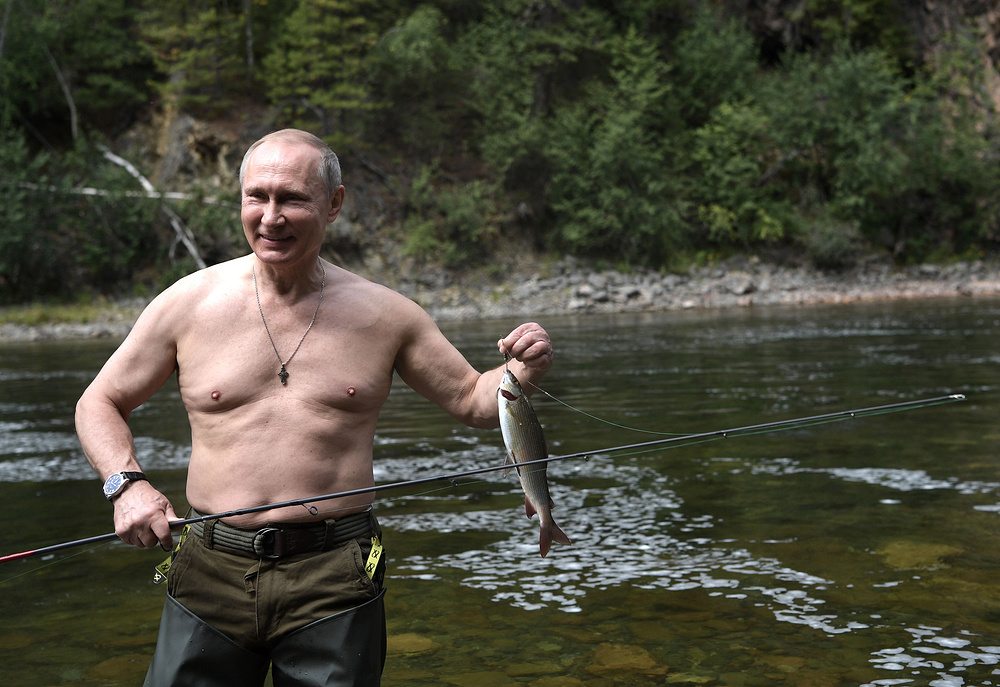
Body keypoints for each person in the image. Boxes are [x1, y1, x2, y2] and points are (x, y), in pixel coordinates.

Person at [75, 128, 554, 686]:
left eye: (293, 199)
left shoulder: (388, 315)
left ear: (334, 204)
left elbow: (474, 398)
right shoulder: (188, 304)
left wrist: (521, 369)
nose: (271, 217)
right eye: (258, 196)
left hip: (336, 571)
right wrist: (125, 484)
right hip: (209, 565)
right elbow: (100, 400)